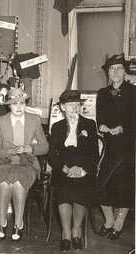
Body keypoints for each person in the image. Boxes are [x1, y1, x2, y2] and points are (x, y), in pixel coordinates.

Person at [0, 88, 49, 242]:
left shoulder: (34, 120)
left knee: (18, 184)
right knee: (3, 183)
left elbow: (45, 147)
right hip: (4, 162)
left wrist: (32, 149)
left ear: (25, 103)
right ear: (9, 106)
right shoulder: (0, 122)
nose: (19, 107)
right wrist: (10, 151)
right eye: (14, 104)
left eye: (21, 103)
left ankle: (18, 223)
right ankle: (2, 222)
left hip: (27, 163)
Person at [48, 90, 99, 251]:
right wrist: (66, 169)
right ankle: (66, 232)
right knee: (63, 189)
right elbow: (51, 155)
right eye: (70, 105)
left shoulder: (89, 124)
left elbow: (94, 154)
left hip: (84, 170)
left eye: (77, 104)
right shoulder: (56, 127)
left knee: (83, 188)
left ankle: (76, 229)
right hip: (64, 169)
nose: (74, 108)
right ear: (63, 107)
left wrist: (83, 170)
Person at [96, 53, 136, 241]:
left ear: (125, 71)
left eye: (119, 68)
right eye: (112, 69)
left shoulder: (133, 92)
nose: (116, 72)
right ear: (108, 73)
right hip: (109, 147)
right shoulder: (102, 93)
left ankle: (119, 223)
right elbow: (100, 118)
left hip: (128, 147)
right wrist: (102, 126)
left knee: (123, 186)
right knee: (102, 183)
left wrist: (122, 128)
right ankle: (109, 221)